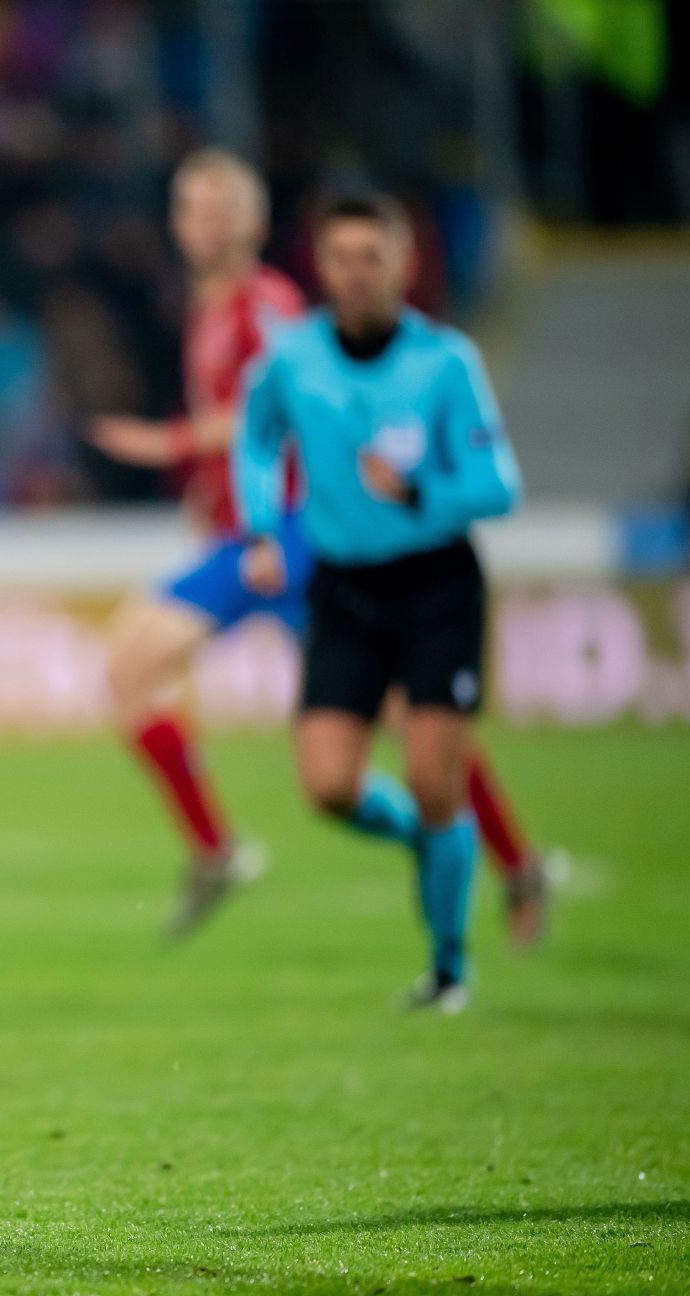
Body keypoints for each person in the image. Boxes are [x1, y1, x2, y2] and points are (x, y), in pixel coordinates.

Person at [95, 151, 555, 946]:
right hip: (253, 542)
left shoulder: (268, 304)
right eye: (189, 208)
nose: (201, 223)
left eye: (219, 208)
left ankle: (511, 861)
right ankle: (219, 848)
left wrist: (165, 440)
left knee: (419, 725)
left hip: (311, 538)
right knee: (131, 664)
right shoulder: (207, 307)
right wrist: (218, 492)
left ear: (252, 222)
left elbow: (264, 412)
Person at [234, 193, 521, 1012]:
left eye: (372, 258)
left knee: (436, 777)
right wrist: (260, 528)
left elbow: (498, 486)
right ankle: (433, 846)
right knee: (327, 784)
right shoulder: (292, 362)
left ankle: (449, 967)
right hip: (345, 587)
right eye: (340, 259)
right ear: (320, 268)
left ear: (406, 264)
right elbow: (256, 438)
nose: (355, 275)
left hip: (436, 585)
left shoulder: (446, 362)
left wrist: (419, 486)